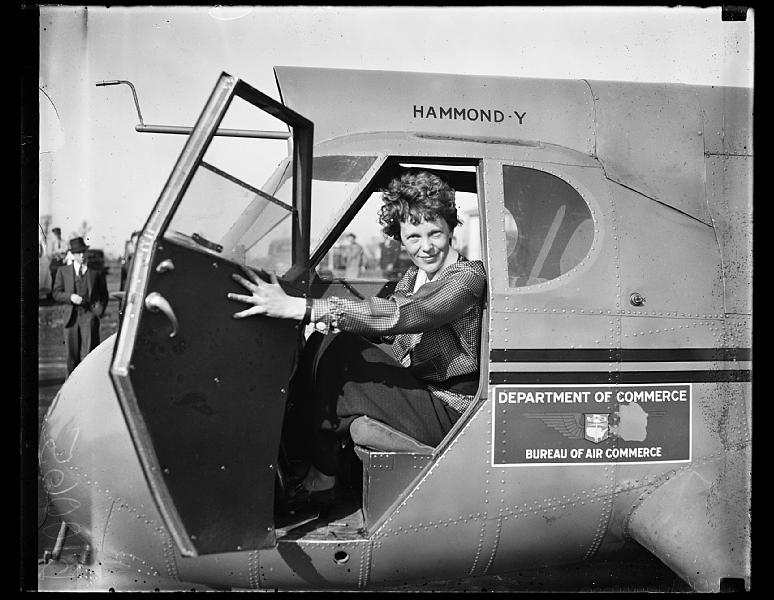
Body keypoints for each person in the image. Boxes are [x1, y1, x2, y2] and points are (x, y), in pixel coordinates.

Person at [228, 170, 486, 505]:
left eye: (435, 233)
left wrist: (306, 308)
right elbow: (391, 335)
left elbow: (403, 314)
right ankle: (295, 463)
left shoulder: (466, 278)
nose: (426, 246)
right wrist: (330, 324)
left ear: (451, 228)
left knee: (343, 350)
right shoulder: (414, 277)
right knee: (327, 341)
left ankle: (323, 477)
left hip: (451, 410)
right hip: (422, 391)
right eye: (413, 237)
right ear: (400, 238)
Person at [52, 237, 109, 375]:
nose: (82, 255)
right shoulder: (63, 271)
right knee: (72, 358)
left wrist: (99, 311)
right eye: (78, 253)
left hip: (89, 316)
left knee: (91, 355)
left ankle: (90, 383)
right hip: (71, 318)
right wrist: (70, 297)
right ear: (73, 254)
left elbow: (104, 294)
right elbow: (56, 293)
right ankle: (71, 385)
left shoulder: (96, 272)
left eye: (83, 252)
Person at [46, 227, 68, 295]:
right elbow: (49, 254)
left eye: (58, 234)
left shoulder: (64, 242)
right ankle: (53, 294)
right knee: (54, 278)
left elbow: (66, 251)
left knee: (62, 279)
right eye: (56, 234)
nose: (57, 235)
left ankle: (61, 294)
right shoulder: (51, 243)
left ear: (60, 233)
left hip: (62, 262)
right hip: (54, 262)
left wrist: (62, 254)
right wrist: (57, 251)